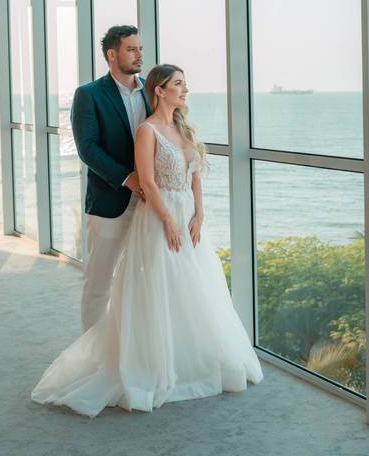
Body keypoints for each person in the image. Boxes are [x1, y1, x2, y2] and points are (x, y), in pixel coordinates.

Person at [32, 64, 262, 417]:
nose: (185, 90)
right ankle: (155, 365)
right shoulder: (147, 131)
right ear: (159, 90)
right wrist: (169, 221)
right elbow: (148, 183)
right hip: (158, 219)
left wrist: (199, 214)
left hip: (189, 219)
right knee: (159, 287)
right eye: (179, 84)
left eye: (185, 83)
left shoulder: (183, 128)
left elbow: (194, 174)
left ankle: (188, 360)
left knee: (194, 289)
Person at [71, 25, 150, 331]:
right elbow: (88, 148)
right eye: (132, 49)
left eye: (140, 48)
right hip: (109, 201)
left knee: (145, 279)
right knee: (99, 282)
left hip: (150, 201)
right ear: (112, 54)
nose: (139, 54)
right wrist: (127, 178)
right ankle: (90, 351)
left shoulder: (152, 91)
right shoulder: (88, 94)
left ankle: (136, 345)